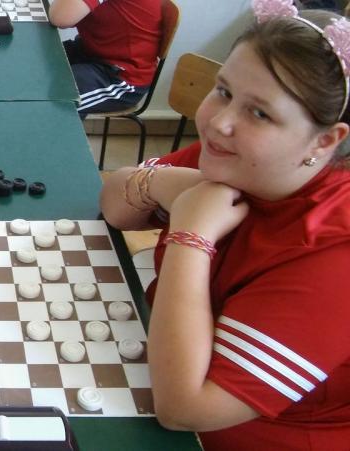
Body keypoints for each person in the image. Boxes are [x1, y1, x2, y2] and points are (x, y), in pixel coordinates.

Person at [100, 2, 350, 449]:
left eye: (260, 113)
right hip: (156, 355)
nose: (219, 122)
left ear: (325, 141)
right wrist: (166, 183)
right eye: (223, 90)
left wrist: (190, 236)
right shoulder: (240, 157)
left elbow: (183, 409)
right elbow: (115, 206)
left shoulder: (335, 256)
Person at [48, 0, 162, 118]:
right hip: (91, 52)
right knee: (39, 62)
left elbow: (60, 17)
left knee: (54, 96)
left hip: (122, 77)